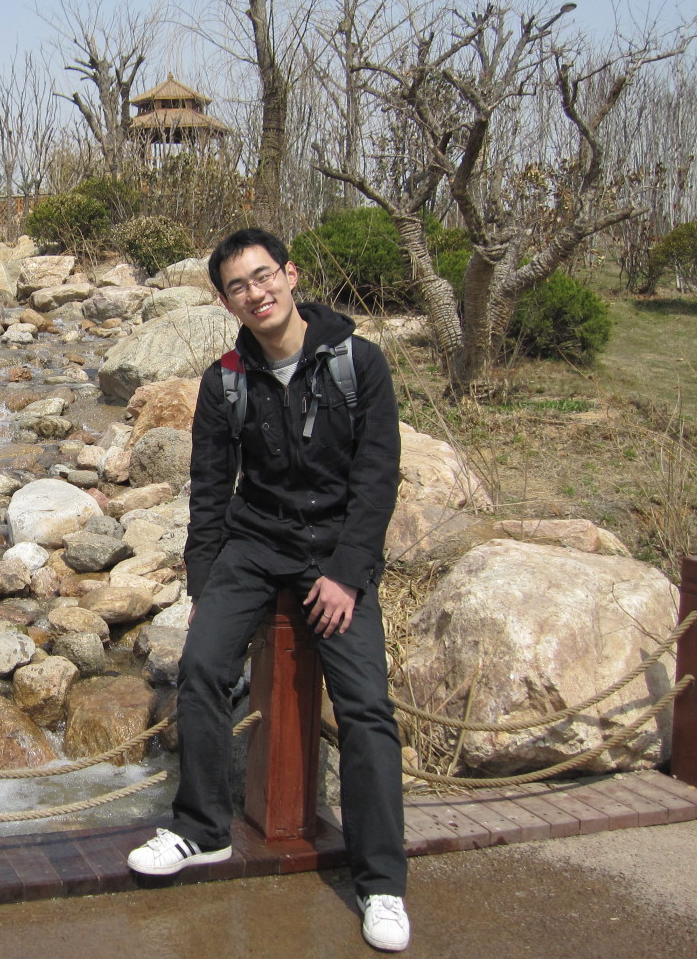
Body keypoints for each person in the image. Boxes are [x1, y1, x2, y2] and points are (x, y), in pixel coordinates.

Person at [126, 228, 410, 952]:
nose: (256, 294)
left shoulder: (357, 363)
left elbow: (377, 479)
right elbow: (209, 489)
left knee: (366, 707)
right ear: (225, 302)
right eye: (238, 287)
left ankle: (381, 881)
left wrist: (347, 574)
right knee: (201, 667)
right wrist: (204, 586)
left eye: (263, 277)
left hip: (335, 548)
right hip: (255, 543)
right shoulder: (224, 379)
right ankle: (202, 828)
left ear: (290, 275)